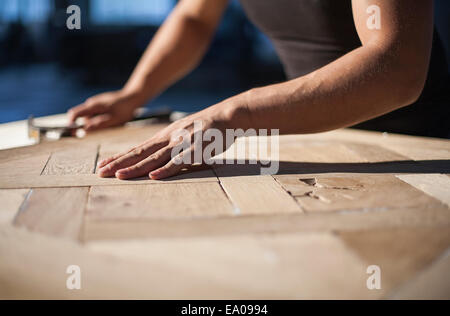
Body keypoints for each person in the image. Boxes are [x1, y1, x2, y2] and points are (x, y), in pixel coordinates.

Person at [68, 0, 448, 180]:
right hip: (315, 138)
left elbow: (397, 67)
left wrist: (237, 115)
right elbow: (195, 17)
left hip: (422, 148)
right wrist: (133, 94)